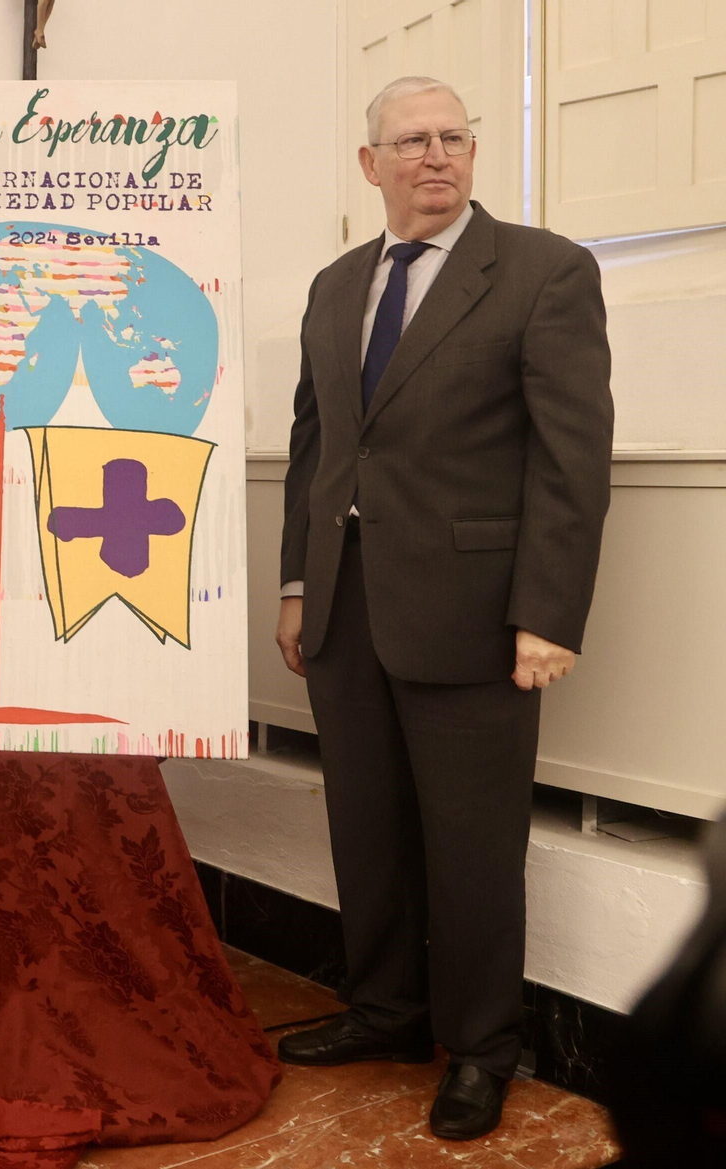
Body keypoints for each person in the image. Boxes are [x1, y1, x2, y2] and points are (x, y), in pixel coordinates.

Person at [274, 76, 614, 1140]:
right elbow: (315, 449)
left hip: (475, 619)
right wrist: (295, 582)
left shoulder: (544, 272)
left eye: (453, 137)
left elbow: (572, 459)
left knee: (471, 848)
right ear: (369, 165)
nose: (435, 155)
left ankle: (480, 1047)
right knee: (365, 828)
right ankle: (384, 1009)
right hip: (343, 612)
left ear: (472, 155)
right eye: (410, 141)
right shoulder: (334, 285)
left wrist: (547, 614)